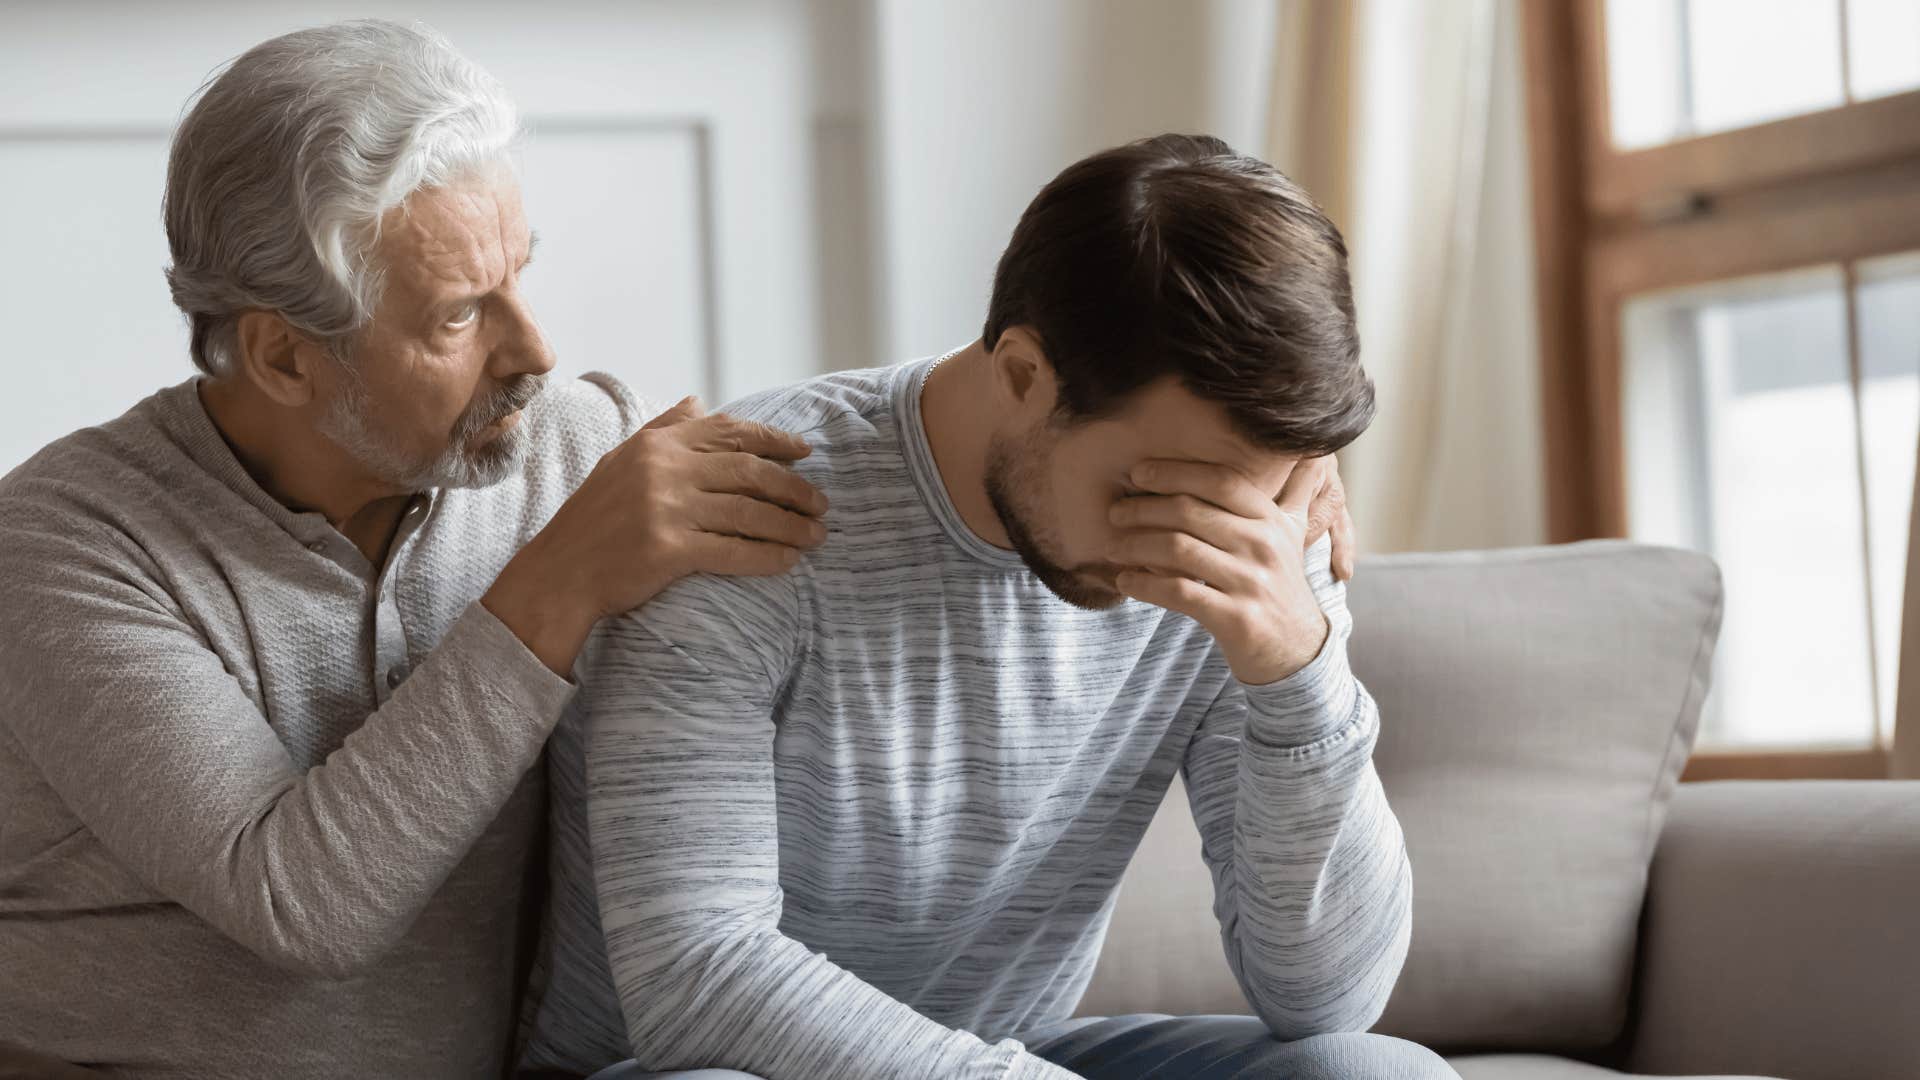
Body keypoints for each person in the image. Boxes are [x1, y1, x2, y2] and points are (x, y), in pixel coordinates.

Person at [0, 21, 828, 1079]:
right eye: (457, 317)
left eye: (520, 276)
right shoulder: (64, 548)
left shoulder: (572, 450)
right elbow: (299, 906)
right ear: (285, 356)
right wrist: (563, 579)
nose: (536, 352)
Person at [523, 135, 1452, 1079]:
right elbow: (695, 982)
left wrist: (1301, 671)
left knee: (1376, 1073)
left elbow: (1327, 1000)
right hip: (712, 1066)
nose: (1188, 541)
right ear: (1021, 373)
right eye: (1151, 491)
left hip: (1012, 1055)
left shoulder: (1256, 545)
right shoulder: (744, 509)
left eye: (1239, 496)